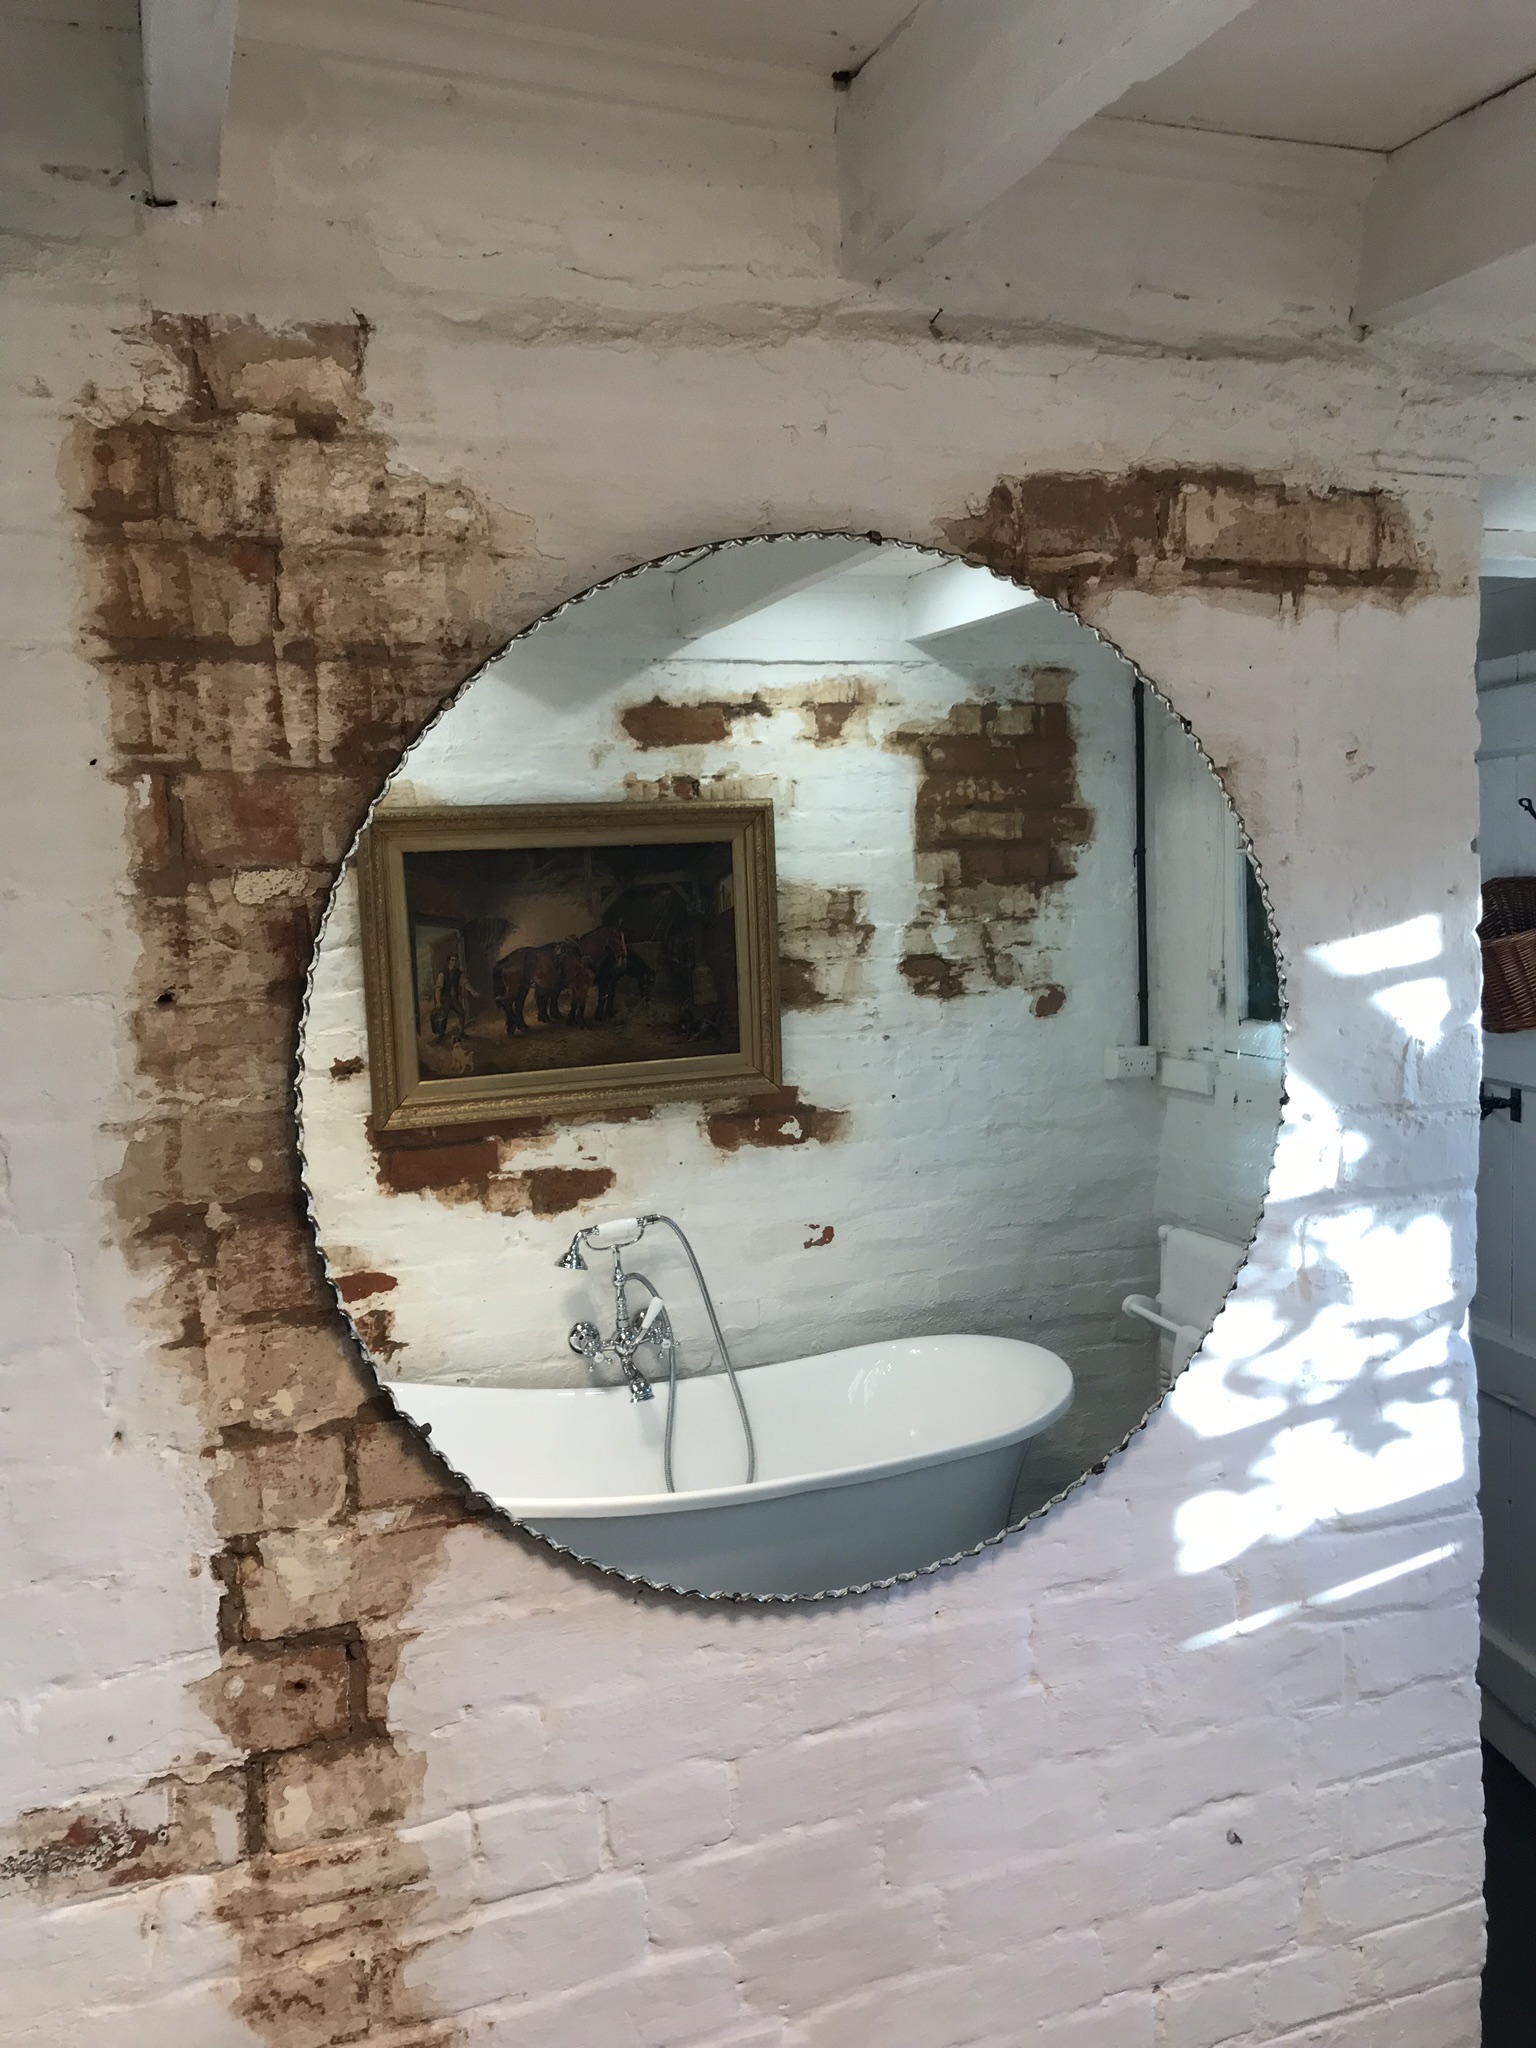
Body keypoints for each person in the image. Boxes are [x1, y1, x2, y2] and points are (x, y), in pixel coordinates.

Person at [430, 949, 475, 1042]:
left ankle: (461, 1032)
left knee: (461, 1013)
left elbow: (465, 983)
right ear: (448, 961)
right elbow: (438, 988)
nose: (454, 962)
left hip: (454, 999)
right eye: (452, 960)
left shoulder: (459, 973)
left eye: (455, 960)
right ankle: (441, 1035)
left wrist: (473, 992)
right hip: (445, 999)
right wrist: (438, 1002)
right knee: (443, 1016)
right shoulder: (442, 974)